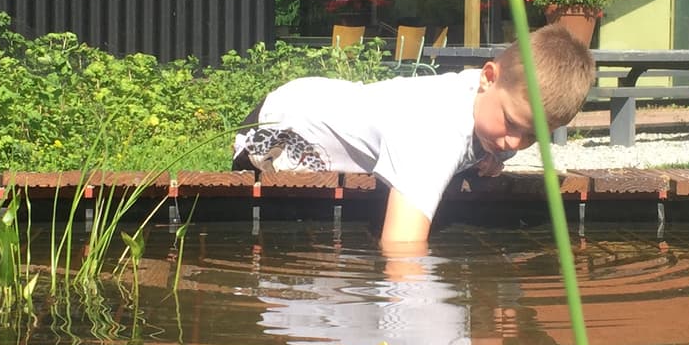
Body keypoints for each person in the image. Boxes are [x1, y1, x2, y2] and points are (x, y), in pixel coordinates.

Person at [233, 25, 596, 251]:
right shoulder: (432, 131)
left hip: (326, 101)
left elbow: (502, 135)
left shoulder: (490, 102)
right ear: (488, 77)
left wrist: (493, 157)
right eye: (512, 125)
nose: (515, 143)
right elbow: (401, 248)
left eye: (532, 136)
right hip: (277, 128)